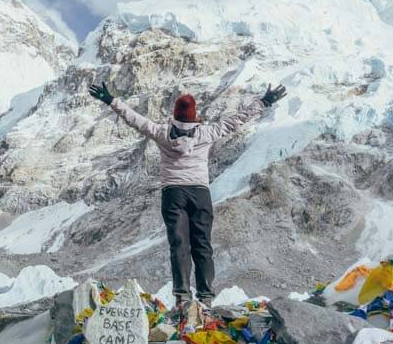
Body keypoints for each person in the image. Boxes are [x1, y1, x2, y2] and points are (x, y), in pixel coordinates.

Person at [88, 82, 287, 306]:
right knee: (202, 244)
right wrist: (264, 102)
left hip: (173, 193)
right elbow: (236, 120)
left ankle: (182, 296)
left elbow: (135, 119)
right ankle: (206, 297)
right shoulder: (207, 132)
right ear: (194, 115)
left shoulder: (162, 133)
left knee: (179, 244)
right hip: (200, 193)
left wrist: (111, 100)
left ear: (175, 114)